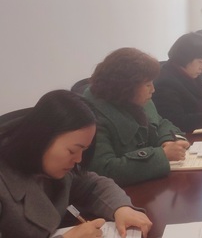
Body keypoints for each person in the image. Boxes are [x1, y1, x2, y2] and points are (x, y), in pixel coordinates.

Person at [0, 90, 152, 237]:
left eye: (84, 150)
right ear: (41, 139)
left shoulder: (50, 165)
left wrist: (121, 208)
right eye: (72, 151)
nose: (79, 159)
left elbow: (93, 185)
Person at [84, 48, 190, 186]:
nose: (153, 89)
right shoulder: (92, 116)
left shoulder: (133, 99)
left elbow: (161, 123)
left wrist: (168, 141)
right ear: (126, 87)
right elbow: (105, 169)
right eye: (147, 84)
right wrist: (162, 155)